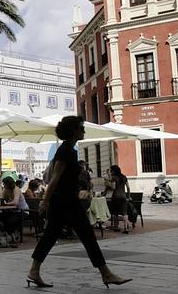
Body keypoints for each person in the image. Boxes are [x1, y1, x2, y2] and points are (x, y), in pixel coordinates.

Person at [27, 116, 132, 288]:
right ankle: (106, 274)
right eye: (81, 128)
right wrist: (44, 201)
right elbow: (55, 178)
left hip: (65, 199)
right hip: (64, 200)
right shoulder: (66, 150)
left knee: (52, 236)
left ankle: (34, 271)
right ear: (74, 130)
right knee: (85, 236)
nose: (84, 130)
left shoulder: (69, 149)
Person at [106, 165, 132, 233]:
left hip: (115, 196)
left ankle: (116, 227)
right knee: (124, 213)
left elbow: (113, 185)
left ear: (114, 171)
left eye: (111, 170)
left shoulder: (114, 177)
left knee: (115, 212)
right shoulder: (124, 177)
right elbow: (128, 187)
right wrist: (129, 196)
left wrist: (108, 176)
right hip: (123, 196)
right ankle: (126, 228)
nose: (110, 171)